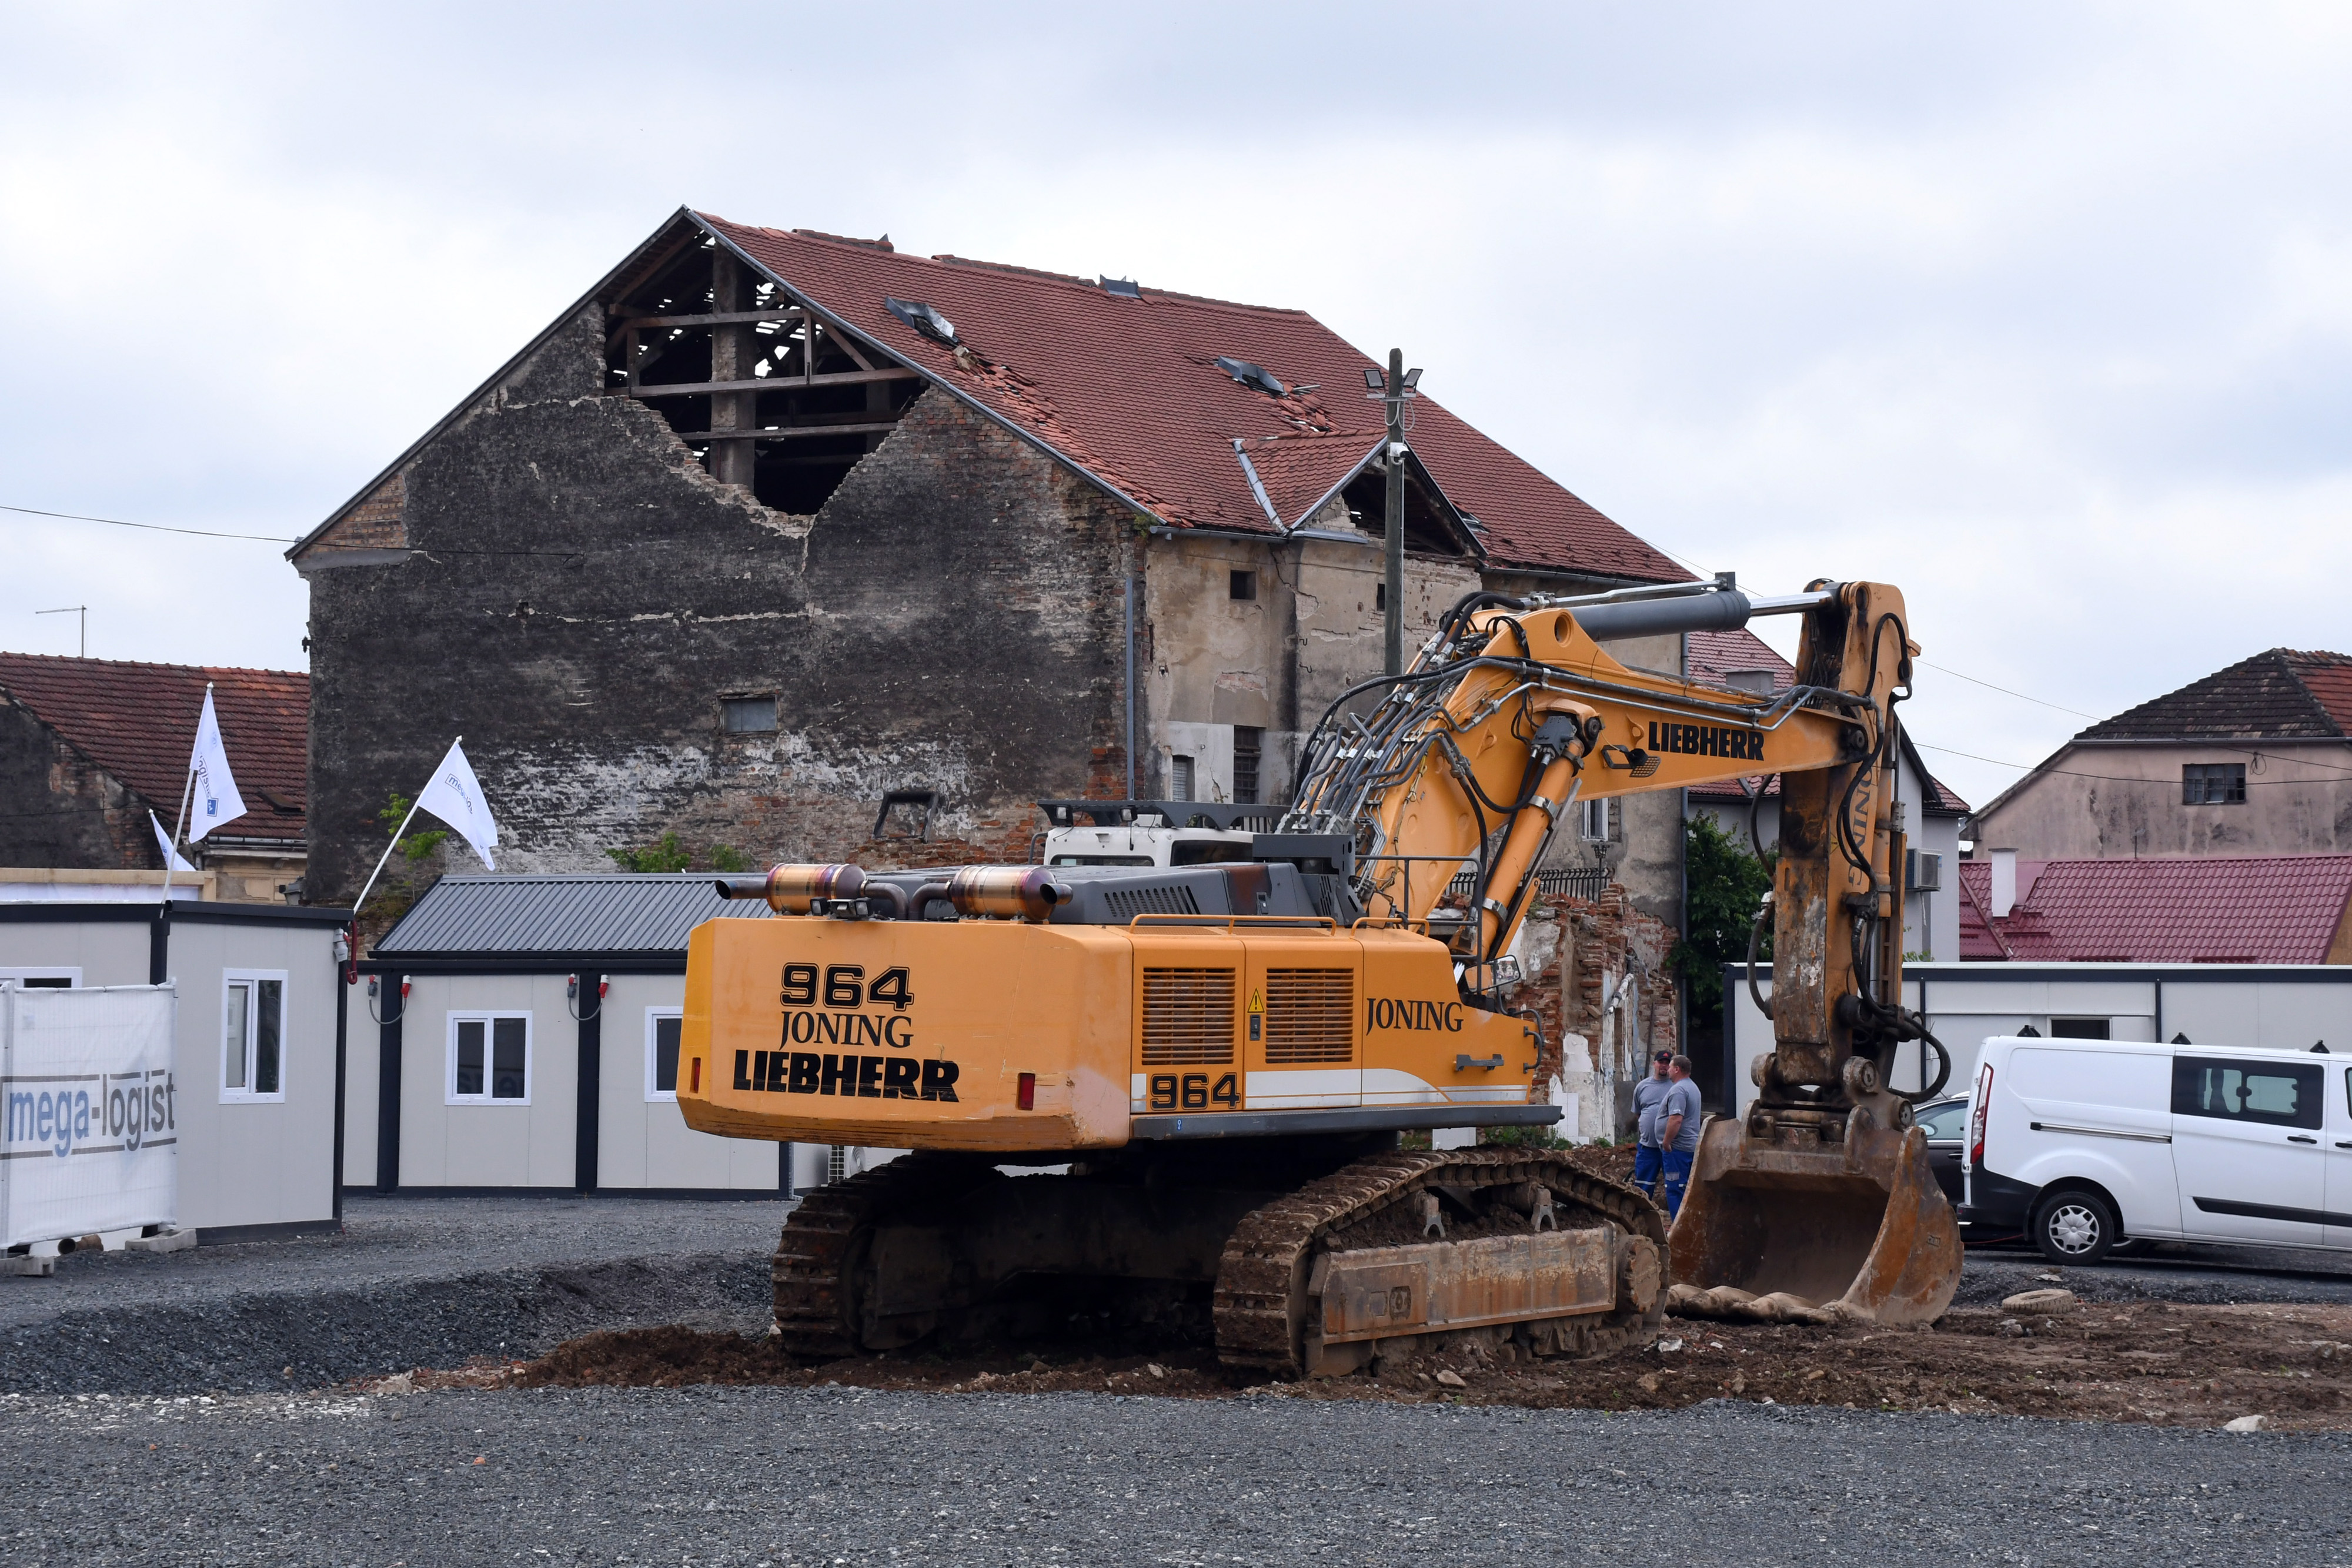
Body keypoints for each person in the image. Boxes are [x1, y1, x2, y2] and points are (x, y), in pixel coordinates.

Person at [1659, 1053, 1704, 1218]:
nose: (1668, 1070)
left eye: (1670, 1067)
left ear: (1677, 1069)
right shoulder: (1693, 1087)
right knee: (1686, 1188)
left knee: (1674, 1188)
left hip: (1678, 1149)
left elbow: (1676, 1119)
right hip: (1689, 1147)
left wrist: (1666, 1142)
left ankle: (1678, 1229)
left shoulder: (1679, 1090)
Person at [1629, 1049, 1673, 1202]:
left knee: (1674, 1185)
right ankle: (1640, 1216)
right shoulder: (1642, 1087)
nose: (1664, 1066)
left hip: (1670, 1148)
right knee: (1643, 1186)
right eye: (1661, 1062)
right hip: (1648, 1147)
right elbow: (1638, 1114)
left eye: (1668, 1063)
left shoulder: (1676, 1087)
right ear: (1654, 1064)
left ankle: (1674, 1218)